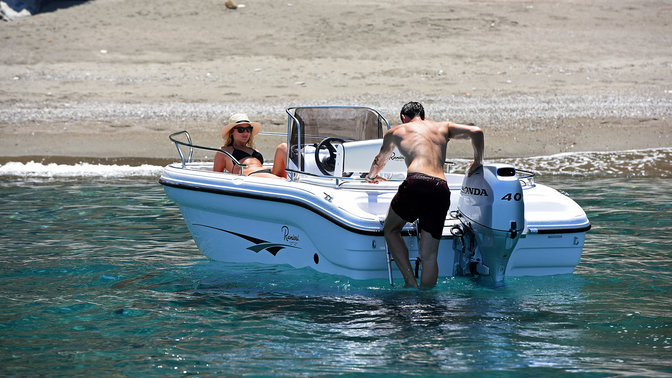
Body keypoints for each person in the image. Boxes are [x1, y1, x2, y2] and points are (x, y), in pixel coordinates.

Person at [366, 102, 484, 288]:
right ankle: (427, 302)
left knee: (391, 229)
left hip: (416, 183)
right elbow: (477, 131)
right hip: (440, 188)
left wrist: (371, 176)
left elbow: (381, 159)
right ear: (424, 116)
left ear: (404, 118)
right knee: (429, 255)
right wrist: (477, 161)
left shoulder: (397, 131)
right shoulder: (442, 127)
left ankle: (410, 282)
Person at [213, 113, 287, 179]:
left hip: (266, 172)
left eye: (248, 129)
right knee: (282, 181)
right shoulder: (224, 151)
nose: (245, 133)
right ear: (232, 132)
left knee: (283, 147)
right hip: (250, 176)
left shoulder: (255, 151)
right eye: (241, 130)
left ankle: (296, 174)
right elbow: (215, 177)